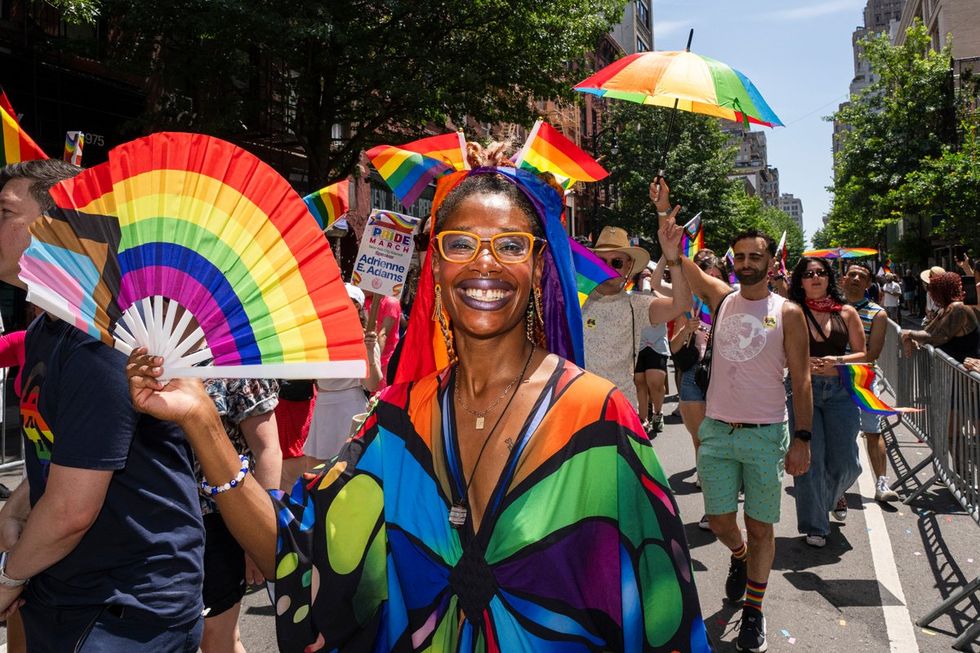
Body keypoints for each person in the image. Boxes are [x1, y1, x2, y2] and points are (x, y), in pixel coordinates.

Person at [126, 148, 712, 652]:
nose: (484, 262)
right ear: (436, 267)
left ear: (537, 268)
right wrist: (202, 421)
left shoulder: (598, 418)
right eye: (461, 244)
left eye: (508, 244)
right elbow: (301, 558)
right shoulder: (397, 420)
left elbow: (663, 613)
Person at [0, 159, 204, 650]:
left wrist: (7, 580)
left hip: (128, 607)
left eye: (5, 211)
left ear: (56, 229)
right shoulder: (46, 331)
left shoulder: (102, 344)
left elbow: (73, 509)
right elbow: (66, 449)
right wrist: (20, 506)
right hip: (75, 589)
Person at [662, 217, 812, 653]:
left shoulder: (788, 312)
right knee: (724, 522)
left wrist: (802, 437)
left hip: (766, 435)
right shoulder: (723, 298)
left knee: (761, 526)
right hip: (718, 432)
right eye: (740, 256)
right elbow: (683, 262)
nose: (747, 263)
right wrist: (666, 221)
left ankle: (754, 610)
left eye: (755, 257)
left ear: (770, 263)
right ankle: (740, 557)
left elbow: (800, 380)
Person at [786, 257, 866, 545]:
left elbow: (863, 354)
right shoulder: (791, 312)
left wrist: (838, 360)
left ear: (829, 278)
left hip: (841, 391)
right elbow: (780, 352)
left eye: (821, 273)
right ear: (801, 281)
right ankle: (815, 525)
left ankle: (829, 498)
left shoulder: (845, 312)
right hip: (802, 389)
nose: (815, 277)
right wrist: (799, 361)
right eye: (809, 274)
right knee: (810, 460)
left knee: (847, 462)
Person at [199, 378, 281, 653]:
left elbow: (268, 450)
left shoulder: (235, 362)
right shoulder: (142, 349)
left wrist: (256, 536)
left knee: (216, 637)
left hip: (222, 518)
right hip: (160, 517)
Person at [583, 220, 691, 410]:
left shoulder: (637, 305)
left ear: (628, 266)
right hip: (580, 407)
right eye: (601, 261)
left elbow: (682, 304)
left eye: (616, 262)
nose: (608, 267)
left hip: (621, 408)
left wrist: (672, 256)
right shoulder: (574, 300)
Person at [302, 283, 383, 469]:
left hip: (349, 406)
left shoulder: (366, 339)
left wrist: (369, 351)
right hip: (323, 406)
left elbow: (372, 385)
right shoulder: (321, 337)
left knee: (345, 469)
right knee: (314, 470)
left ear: (357, 308)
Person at [841, 263, 899, 502]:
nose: (855, 278)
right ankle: (838, 486)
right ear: (844, 280)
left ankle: (882, 484)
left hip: (862, 379)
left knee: (873, 431)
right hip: (831, 380)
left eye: (861, 276)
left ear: (867, 284)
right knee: (839, 435)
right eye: (851, 274)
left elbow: (872, 352)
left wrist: (836, 359)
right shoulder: (830, 308)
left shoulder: (878, 313)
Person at [902, 272, 980, 363]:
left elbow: (934, 337)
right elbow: (928, 331)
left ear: (943, 290)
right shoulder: (945, 308)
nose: (930, 293)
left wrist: (909, 333)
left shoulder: (958, 308)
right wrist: (913, 337)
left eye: (933, 289)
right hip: (954, 368)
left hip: (964, 368)